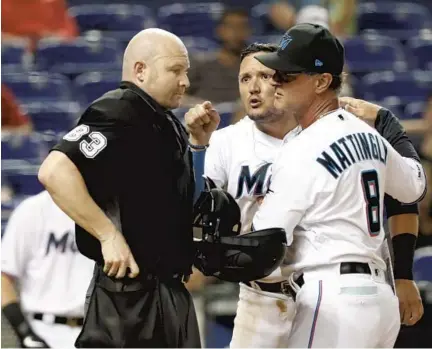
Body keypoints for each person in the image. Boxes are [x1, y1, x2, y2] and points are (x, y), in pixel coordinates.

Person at [186, 42, 424, 347]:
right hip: (262, 298)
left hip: (323, 292)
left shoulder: (328, 135)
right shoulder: (226, 142)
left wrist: (403, 274)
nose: (255, 87)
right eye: (245, 78)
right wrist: (196, 147)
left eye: (266, 76)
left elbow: (399, 198)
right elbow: (193, 206)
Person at [38, 28, 218, 348]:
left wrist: (198, 146)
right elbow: (54, 171)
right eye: (175, 70)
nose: (185, 81)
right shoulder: (118, 110)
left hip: (168, 292)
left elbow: (183, 204)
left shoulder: (166, 121)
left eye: (186, 72)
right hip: (129, 299)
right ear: (140, 71)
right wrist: (107, 234)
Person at [250, 23, 426, 348]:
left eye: (288, 75)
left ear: (321, 81)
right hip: (378, 302)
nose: (275, 81)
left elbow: (267, 238)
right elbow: (414, 187)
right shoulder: (370, 134)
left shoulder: (303, 146)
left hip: (330, 296)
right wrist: (388, 122)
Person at [1, 191, 94, 348]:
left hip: (96, 329)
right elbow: (3, 277)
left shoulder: (105, 209)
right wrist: (24, 332)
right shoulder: (32, 210)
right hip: (44, 329)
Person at [184, 8, 252, 105]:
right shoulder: (201, 64)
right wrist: (201, 106)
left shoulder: (255, 67)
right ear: (220, 31)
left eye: (241, 27)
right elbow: (179, 96)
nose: (236, 32)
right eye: (231, 27)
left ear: (249, 31)